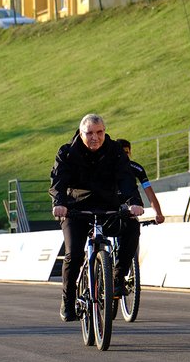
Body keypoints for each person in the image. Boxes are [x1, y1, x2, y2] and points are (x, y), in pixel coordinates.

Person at [49, 114, 144, 322]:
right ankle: (68, 298)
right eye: (90, 133)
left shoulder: (115, 151)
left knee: (132, 227)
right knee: (73, 253)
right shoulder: (67, 152)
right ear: (81, 133)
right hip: (75, 210)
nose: (95, 137)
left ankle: (117, 279)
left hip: (107, 208)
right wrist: (59, 204)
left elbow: (126, 178)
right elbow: (58, 181)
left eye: (99, 132)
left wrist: (134, 202)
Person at [115, 138, 165, 225]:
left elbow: (149, 191)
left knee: (132, 229)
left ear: (130, 153)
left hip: (130, 204)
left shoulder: (137, 168)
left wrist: (158, 213)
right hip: (111, 203)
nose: (124, 156)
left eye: (126, 153)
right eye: (121, 153)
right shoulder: (106, 167)